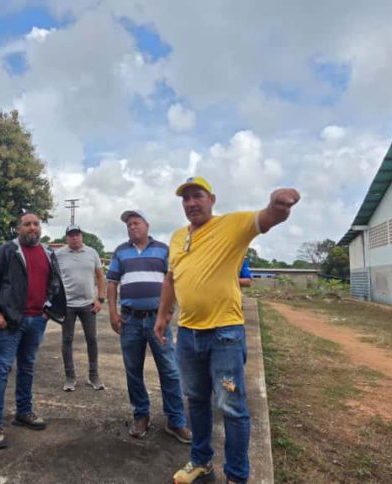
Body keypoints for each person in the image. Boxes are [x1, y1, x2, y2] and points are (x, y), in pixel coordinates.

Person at [155, 177, 300, 484]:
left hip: (225, 336)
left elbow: (268, 217)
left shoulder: (231, 225)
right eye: (185, 199)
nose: (191, 203)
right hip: (188, 335)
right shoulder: (178, 237)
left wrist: (279, 204)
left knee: (231, 406)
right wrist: (163, 315)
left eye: (198, 196)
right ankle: (201, 462)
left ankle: (236, 476)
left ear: (212, 199)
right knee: (196, 401)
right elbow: (171, 278)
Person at [0, 211, 67, 449]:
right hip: (8, 322)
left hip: (36, 320)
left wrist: (48, 310)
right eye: (27, 224)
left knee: (27, 367)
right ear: (18, 229)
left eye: (36, 224)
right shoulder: (6, 251)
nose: (32, 227)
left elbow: (54, 283)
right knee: (1, 369)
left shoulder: (48, 252)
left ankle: (24, 411)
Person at [106, 209, 192, 444]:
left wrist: (168, 312)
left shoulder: (163, 250)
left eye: (136, 222)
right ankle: (141, 416)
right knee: (133, 371)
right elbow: (112, 283)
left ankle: (175, 421)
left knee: (169, 370)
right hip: (130, 320)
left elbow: (174, 280)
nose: (132, 227)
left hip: (157, 320)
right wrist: (112, 313)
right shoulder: (120, 251)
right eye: (128, 225)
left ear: (147, 225)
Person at [55, 224, 106, 391]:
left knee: (92, 339)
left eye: (77, 234)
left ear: (81, 236)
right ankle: (70, 377)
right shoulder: (59, 254)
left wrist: (100, 299)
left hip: (88, 304)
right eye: (71, 235)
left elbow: (100, 276)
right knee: (67, 340)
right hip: (67, 305)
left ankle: (93, 375)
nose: (74, 238)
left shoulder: (92, 253)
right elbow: (52, 278)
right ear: (67, 237)